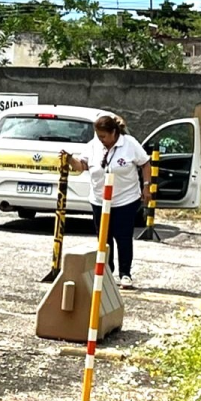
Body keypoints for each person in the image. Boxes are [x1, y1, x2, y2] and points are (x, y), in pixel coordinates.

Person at [65, 114, 151, 289]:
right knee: (104, 237)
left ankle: (125, 273)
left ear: (113, 133)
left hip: (125, 199)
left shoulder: (129, 144)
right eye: (98, 136)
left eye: (104, 136)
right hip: (99, 199)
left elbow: (145, 163)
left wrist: (147, 186)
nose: (101, 140)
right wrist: (69, 159)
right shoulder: (93, 146)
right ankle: (106, 271)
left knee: (123, 236)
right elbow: (81, 166)